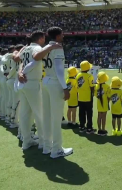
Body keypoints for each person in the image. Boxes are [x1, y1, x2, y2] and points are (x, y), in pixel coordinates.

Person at [15, 30, 62, 150]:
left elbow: (19, 61)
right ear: (40, 38)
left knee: (25, 114)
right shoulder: (36, 48)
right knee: (39, 114)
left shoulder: (25, 48)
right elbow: (36, 57)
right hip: (33, 83)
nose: (44, 40)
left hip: (24, 84)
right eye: (43, 38)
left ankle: (26, 141)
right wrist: (50, 47)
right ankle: (43, 142)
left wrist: (20, 72)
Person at [37, 27, 73, 158]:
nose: (63, 36)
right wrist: (65, 88)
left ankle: (47, 147)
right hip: (54, 83)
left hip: (45, 81)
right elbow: (59, 70)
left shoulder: (45, 48)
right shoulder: (58, 47)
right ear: (57, 36)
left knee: (46, 116)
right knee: (56, 118)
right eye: (62, 34)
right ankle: (57, 149)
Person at [76, 60, 96, 134]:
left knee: (81, 113)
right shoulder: (89, 76)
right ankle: (89, 128)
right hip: (88, 97)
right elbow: (91, 87)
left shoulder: (78, 75)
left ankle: (82, 127)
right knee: (89, 113)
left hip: (80, 97)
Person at [7, 44, 22, 129]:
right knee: (17, 102)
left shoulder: (12, 56)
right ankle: (14, 121)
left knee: (13, 101)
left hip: (14, 80)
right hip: (16, 81)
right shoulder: (17, 56)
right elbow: (14, 69)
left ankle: (11, 119)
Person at [95, 72, 110, 136]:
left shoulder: (96, 86)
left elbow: (96, 95)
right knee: (104, 117)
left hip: (99, 103)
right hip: (105, 103)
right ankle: (103, 129)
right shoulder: (107, 86)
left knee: (99, 116)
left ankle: (99, 129)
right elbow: (109, 96)